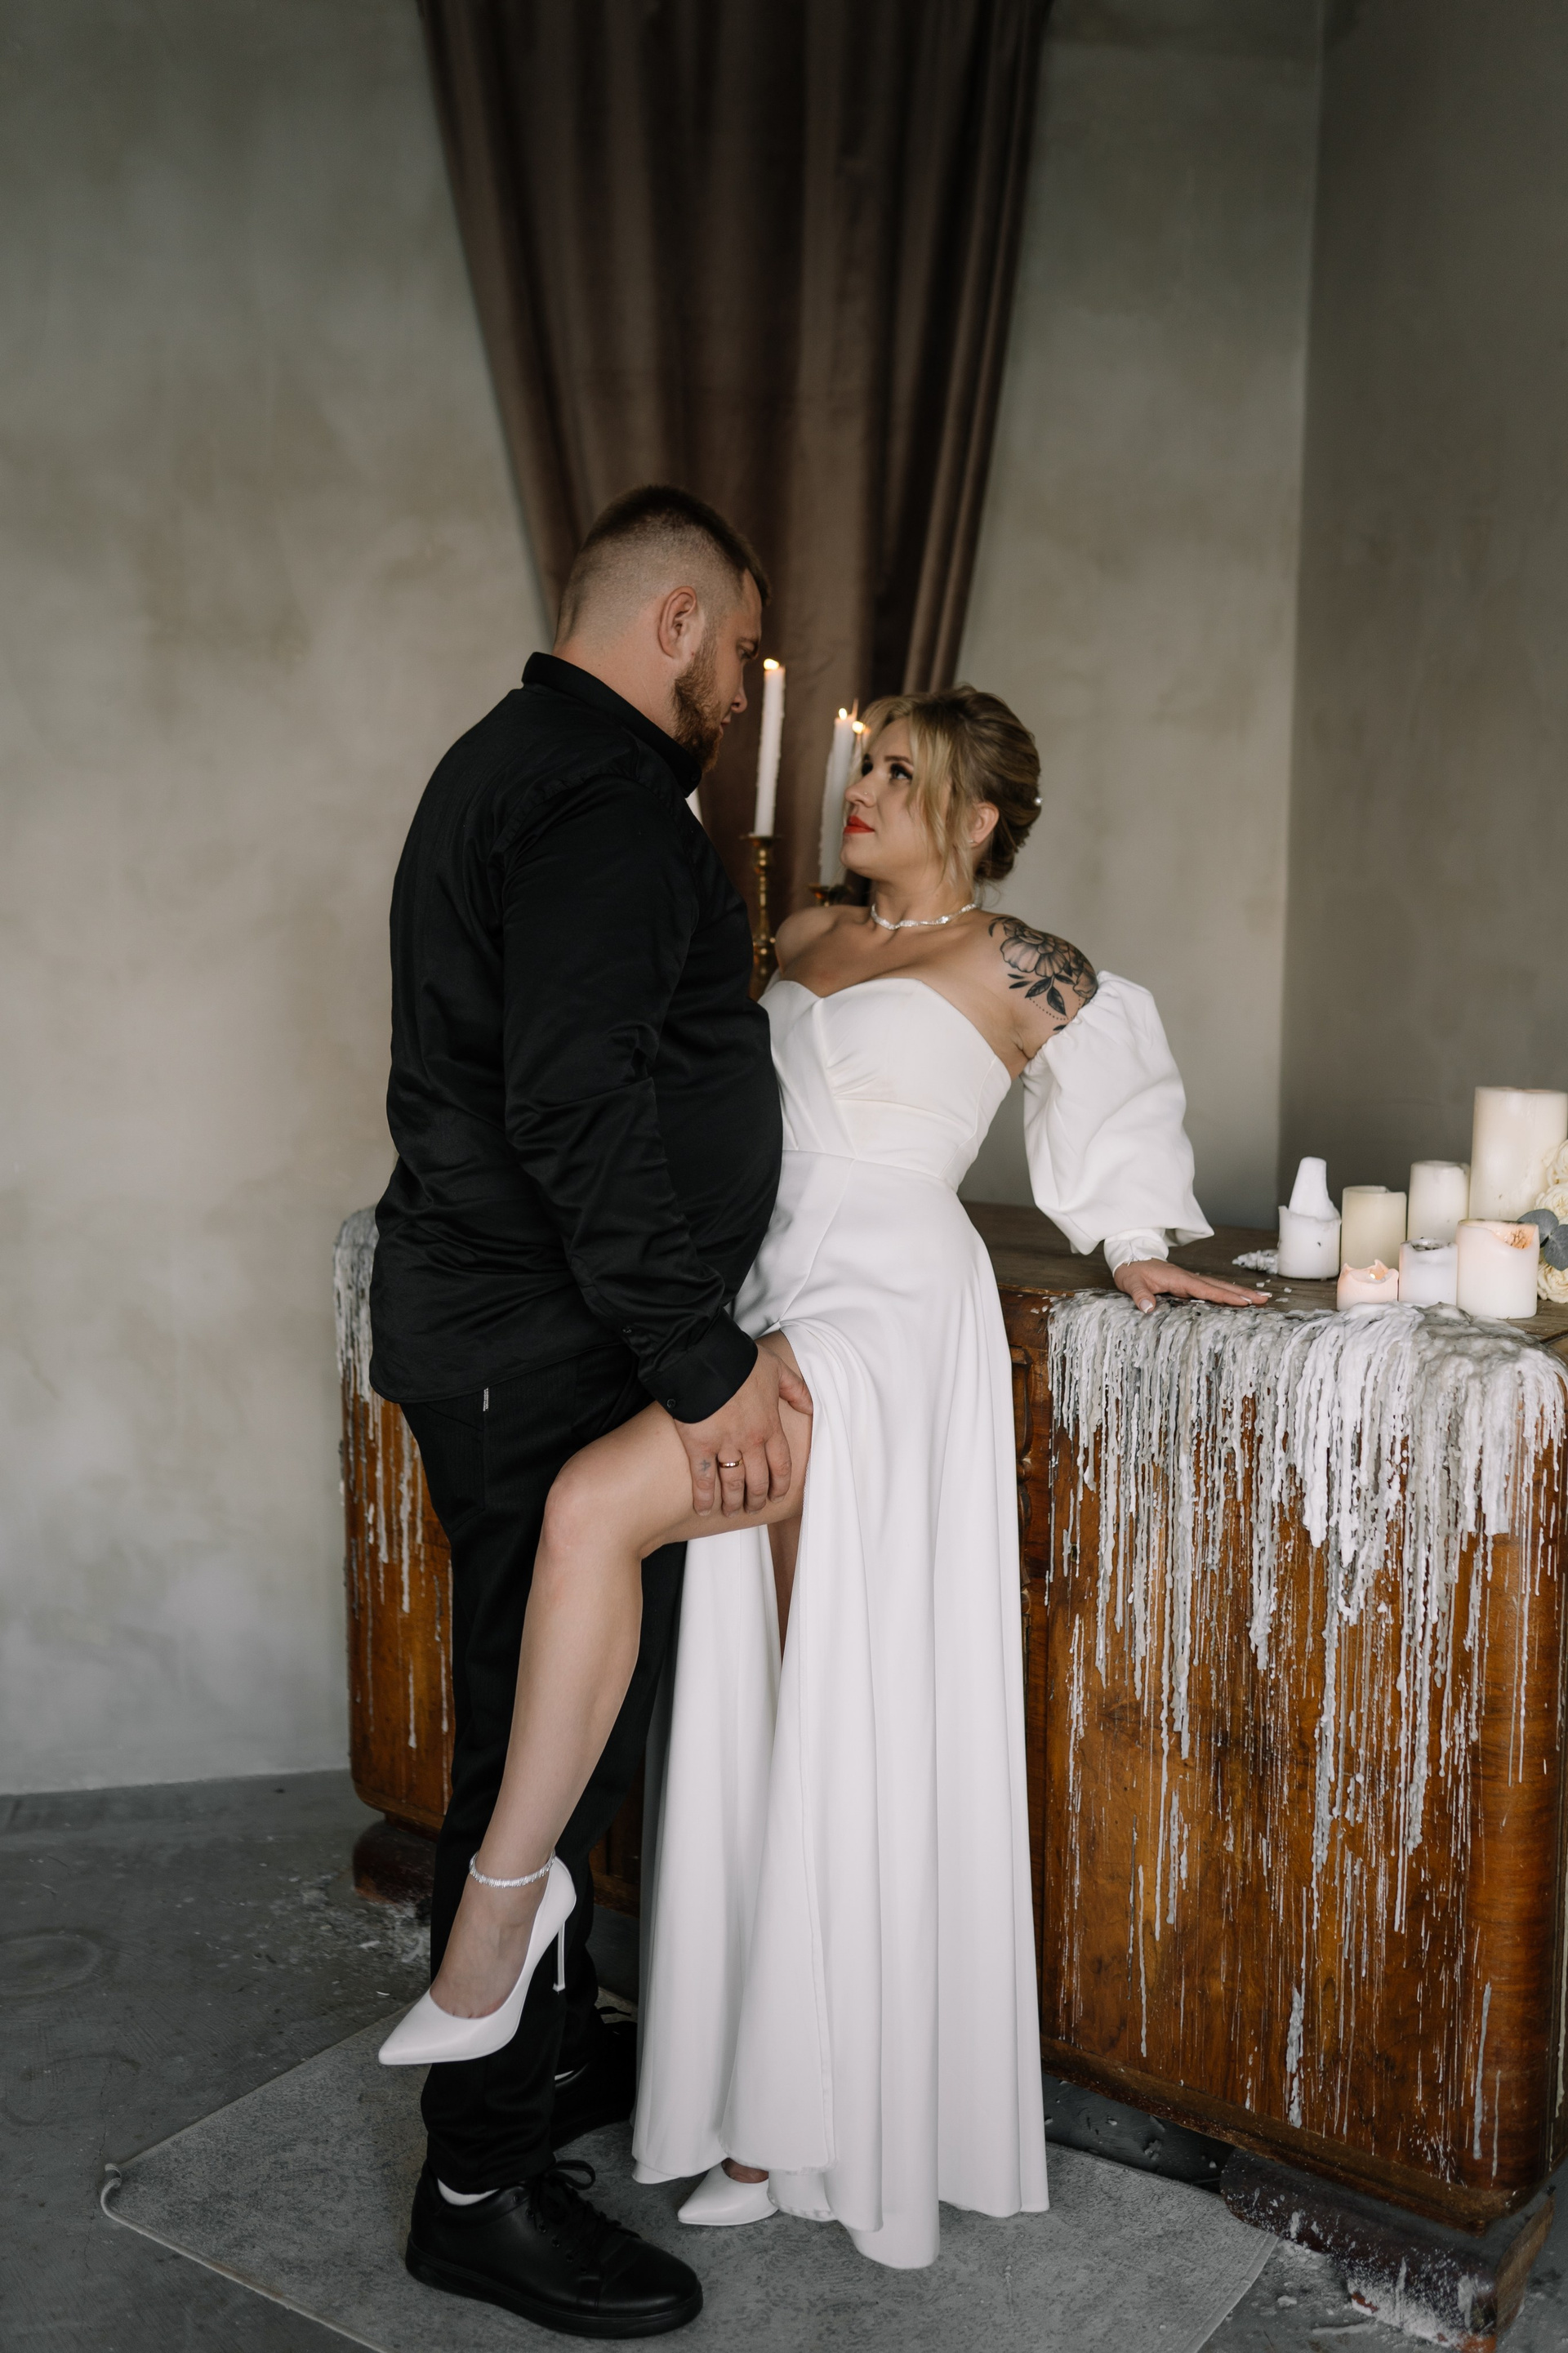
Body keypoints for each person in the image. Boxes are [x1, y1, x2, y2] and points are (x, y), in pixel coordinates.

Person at [381, 679, 1268, 2279]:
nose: (866, 789)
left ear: (978, 816)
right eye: (866, 765)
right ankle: (769, 2122)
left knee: (602, 1508)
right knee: (786, 1705)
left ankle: (507, 1919)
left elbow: (1117, 1103)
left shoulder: (1016, 962)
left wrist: (1136, 1240)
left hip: (886, 1322)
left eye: (903, 774)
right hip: (760, 1306)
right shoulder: (791, 933)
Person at [368, 484, 806, 2337]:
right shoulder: (607, 801)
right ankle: (478, 2188)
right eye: (742, 648)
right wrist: (702, 1359)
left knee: (570, 1725)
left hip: (520, 1328)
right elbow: (571, 1101)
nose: (745, 688)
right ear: (677, 619)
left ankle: (539, 2058)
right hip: (535, 1341)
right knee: (525, 1752)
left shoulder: (514, 760)